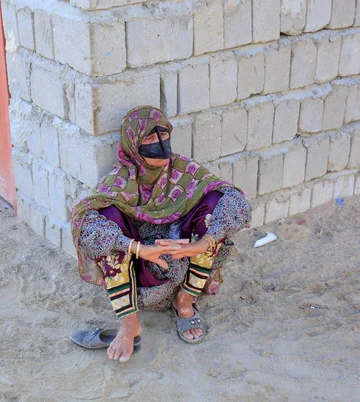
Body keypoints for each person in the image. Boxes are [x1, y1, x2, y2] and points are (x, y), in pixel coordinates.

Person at [69, 106, 251, 363]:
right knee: (104, 216)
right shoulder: (121, 180)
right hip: (142, 268)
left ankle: (185, 301)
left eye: (163, 135)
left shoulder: (183, 169)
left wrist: (203, 244)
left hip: (186, 259)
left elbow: (236, 202)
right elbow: (84, 222)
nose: (160, 144)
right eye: (149, 139)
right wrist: (139, 249)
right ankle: (129, 322)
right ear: (133, 144)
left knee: (215, 203)